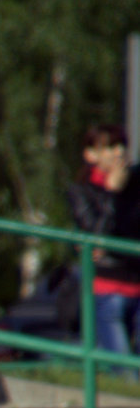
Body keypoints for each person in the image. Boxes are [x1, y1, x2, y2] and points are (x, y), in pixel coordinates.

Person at [66, 124, 140, 370]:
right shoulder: (81, 192)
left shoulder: (137, 184)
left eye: (121, 145)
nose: (118, 152)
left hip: (137, 283)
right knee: (125, 372)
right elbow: (97, 240)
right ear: (91, 155)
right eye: (109, 146)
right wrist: (112, 194)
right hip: (109, 289)